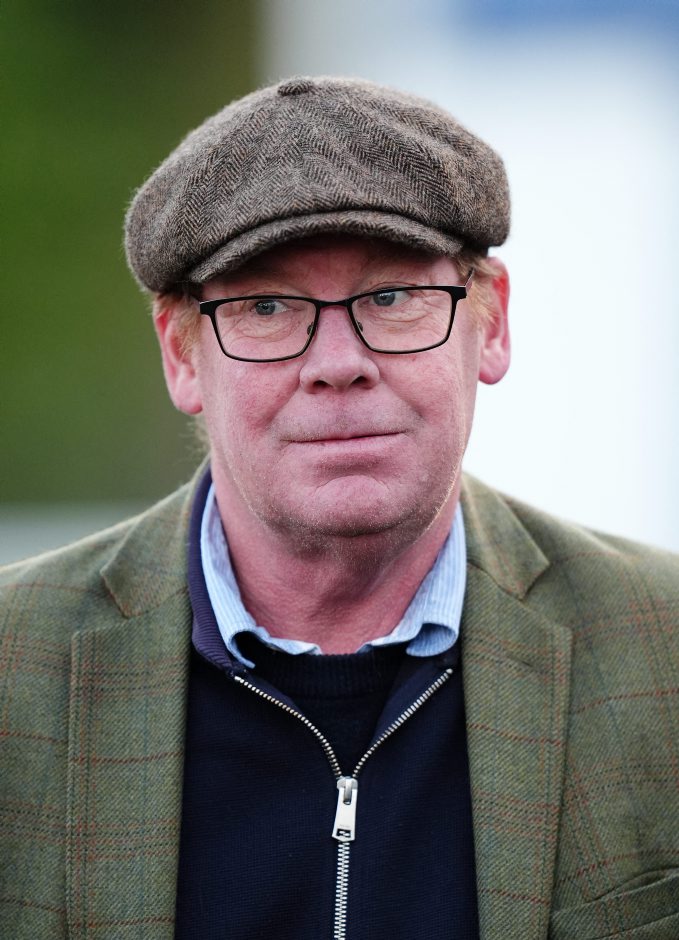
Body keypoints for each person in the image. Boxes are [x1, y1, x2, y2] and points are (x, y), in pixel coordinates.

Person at [1, 76, 678, 940]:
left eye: (390, 298)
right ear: (180, 356)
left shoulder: (661, 650)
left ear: (492, 323)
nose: (337, 363)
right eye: (266, 306)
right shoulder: (15, 673)